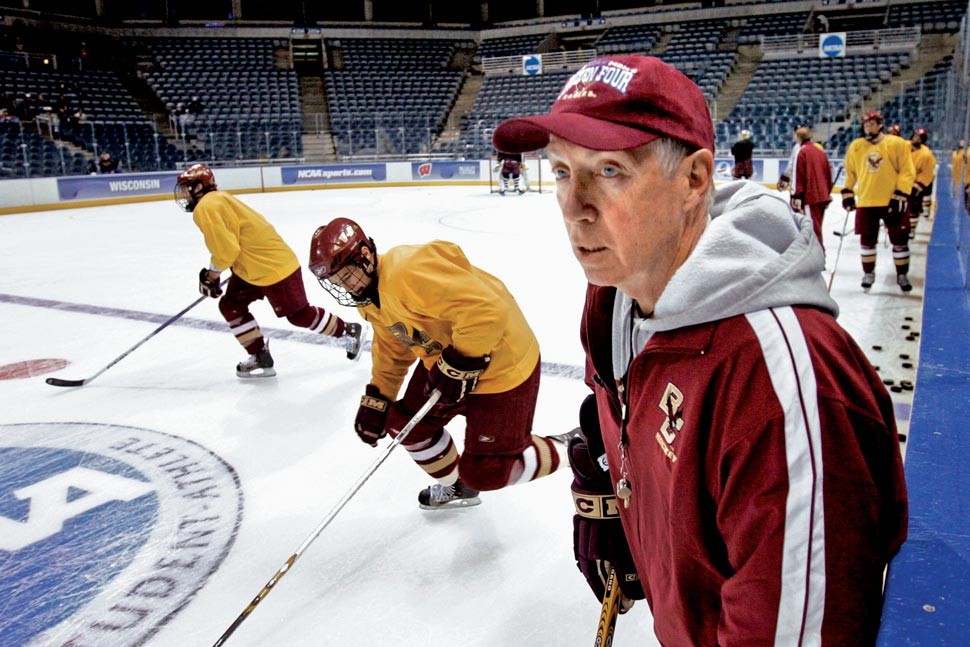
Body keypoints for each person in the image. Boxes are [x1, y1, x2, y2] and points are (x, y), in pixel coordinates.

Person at [493, 54, 908, 646]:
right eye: (562, 171)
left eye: (609, 171)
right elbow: (618, 407)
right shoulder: (614, 300)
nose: (574, 206)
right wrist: (608, 484)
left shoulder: (783, 384)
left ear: (694, 180)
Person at [308, 218, 563, 509]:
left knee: (488, 472)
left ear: (364, 256)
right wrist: (379, 395)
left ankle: (573, 450)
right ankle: (458, 487)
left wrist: (462, 361)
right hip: (445, 361)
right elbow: (392, 345)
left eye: (345, 276)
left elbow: (486, 310)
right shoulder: (368, 298)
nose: (343, 287)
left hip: (502, 365)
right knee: (403, 426)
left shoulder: (409, 270)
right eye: (335, 282)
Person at [174, 164, 363, 377]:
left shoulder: (205, 207)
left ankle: (348, 331)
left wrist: (212, 275)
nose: (182, 194)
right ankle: (259, 355)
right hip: (253, 268)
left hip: (273, 267)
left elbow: (226, 250)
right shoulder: (218, 199)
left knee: (299, 315)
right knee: (231, 305)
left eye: (185, 188)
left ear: (198, 187)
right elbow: (233, 245)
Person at [841, 110, 916, 292]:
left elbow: (907, 170)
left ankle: (902, 274)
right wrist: (848, 191)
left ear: (880, 124)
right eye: (866, 124)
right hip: (866, 201)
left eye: (872, 124)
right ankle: (868, 273)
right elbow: (850, 172)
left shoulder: (896, 143)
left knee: (900, 240)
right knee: (867, 241)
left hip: (892, 201)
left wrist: (901, 193)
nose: (869, 127)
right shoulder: (856, 146)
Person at [790, 125, 834, 252]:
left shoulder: (802, 151)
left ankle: (817, 256)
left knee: (812, 229)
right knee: (817, 226)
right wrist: (827, 192)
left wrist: (796, 195)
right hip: (822, 195)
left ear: (798, 138)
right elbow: (828, 173)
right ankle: (818, 254)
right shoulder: (819, 151)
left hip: (810, 196)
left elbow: (798, 174)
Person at [908, 127, 936, 235]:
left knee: (913, 206)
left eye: (920, 138)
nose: (916, 139)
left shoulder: (926, 155)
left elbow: (927, 174)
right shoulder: (905, 147)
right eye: (915, 136)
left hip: (915, 184)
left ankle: (912, 228)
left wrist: (918, 185)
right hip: (903, 182)